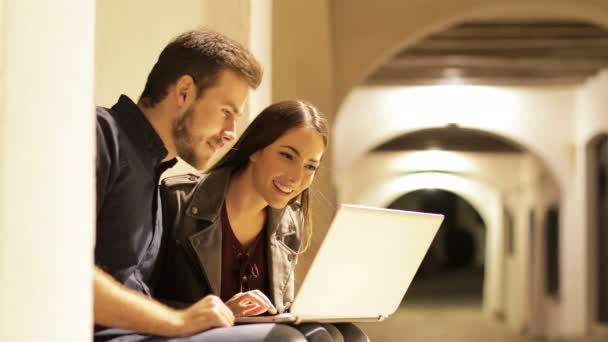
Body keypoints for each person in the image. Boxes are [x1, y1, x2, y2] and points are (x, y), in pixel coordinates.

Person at [93, 30, 308, 341]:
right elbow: (67, 271)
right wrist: (179, 321)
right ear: (184, 92)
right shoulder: (101, 135)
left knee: (330, 334)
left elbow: (132, 290)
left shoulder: (153, 175)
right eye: (226, 113)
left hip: (144, 335)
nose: (231, 133)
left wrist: (217, 312)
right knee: (282, 340)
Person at [156, 100, 369, 342]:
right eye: (287, 155)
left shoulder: (289, 223)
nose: (297, 177)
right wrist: (220, 312)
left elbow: (277, 310)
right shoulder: (176, 202)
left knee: (349, 336)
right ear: (256, 149)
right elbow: (137, 295)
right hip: (187, 335)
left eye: (310, 166)